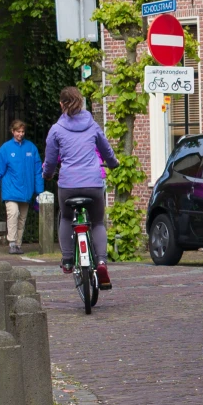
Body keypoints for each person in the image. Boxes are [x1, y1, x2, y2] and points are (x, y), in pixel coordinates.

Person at [43, 86, 119, 289]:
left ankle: (68, 259)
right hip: (93, 184)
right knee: (97, 222)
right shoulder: (93, 125)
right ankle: (102, 262)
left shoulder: (56, 129)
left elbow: (50, 161)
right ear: (82, 103)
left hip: (68, 185)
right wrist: (113, 163)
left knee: (67, 217)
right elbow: (106, 151)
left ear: (61, 104)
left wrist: (47, 174)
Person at [0, 118, 45, 256]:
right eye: (18, 131)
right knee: (13, 214)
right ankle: (12, 243)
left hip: (26, 191)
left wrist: (40, 191)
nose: (20, 134)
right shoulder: (5, 149)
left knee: (22, 218)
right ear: (12, 132)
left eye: (22, 131)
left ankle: (18, 244)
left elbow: (38, 171)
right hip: (11, 190)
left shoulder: (31, 148)